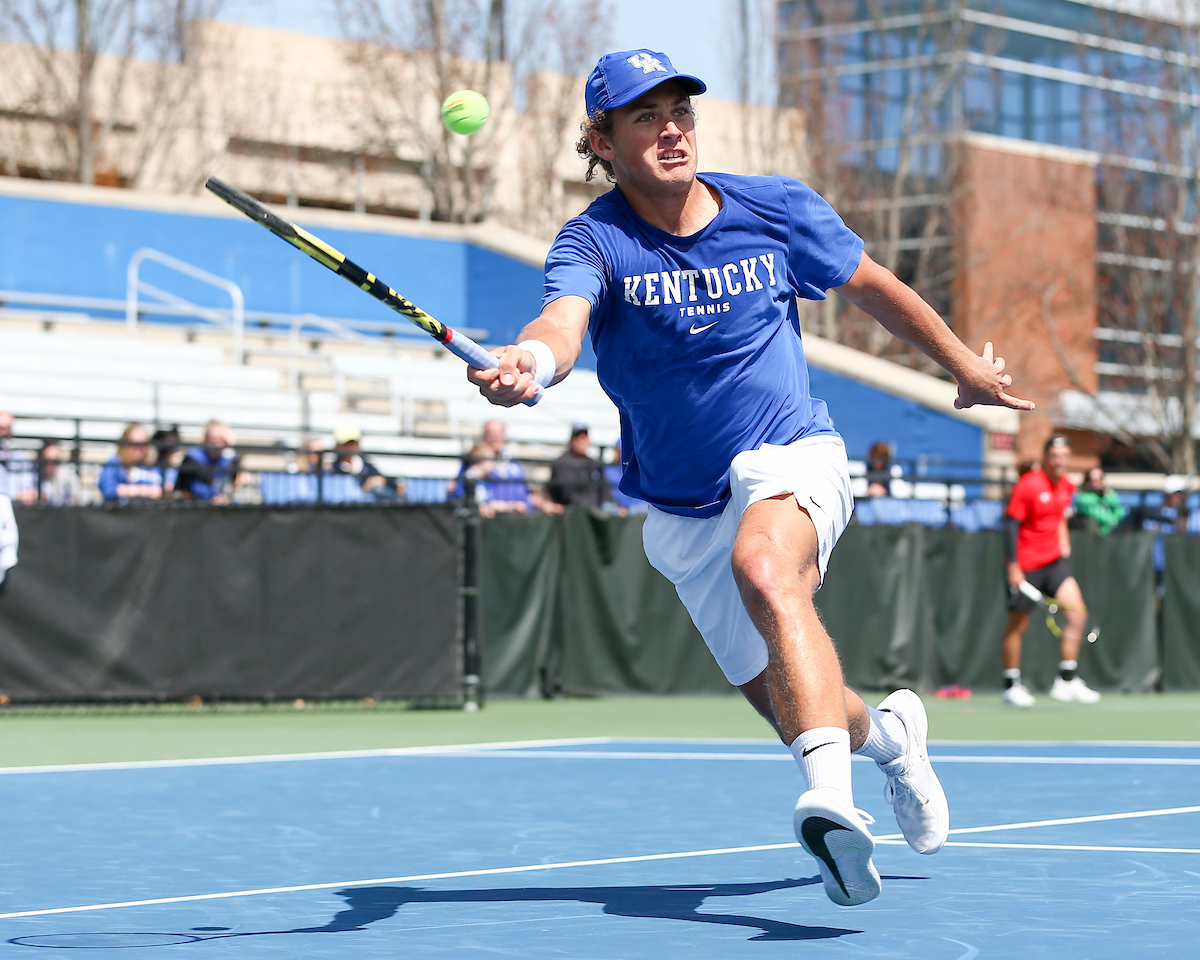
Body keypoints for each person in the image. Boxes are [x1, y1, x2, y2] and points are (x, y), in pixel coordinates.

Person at [466, 49, 1029, 906]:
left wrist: (961, 367)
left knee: (766, 567)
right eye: (645, 117)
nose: (671, 129)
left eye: (679, 110)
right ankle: (893, 741)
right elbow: (562, 320)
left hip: (790, 450)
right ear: (605, 141)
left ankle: (831, 809)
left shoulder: (773, 208)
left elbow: (872, 286)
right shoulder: (595, 239)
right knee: (797, 706)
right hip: (682, 506)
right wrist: (532, 365)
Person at [1001, 436, 1101, 708]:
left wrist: (1063, 538)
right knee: (1017, 626)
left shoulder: (1066, 485)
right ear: (1046, 458)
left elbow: (1058, 515)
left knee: (1077, 614)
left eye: (1065, 456)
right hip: (1025, 564)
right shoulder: (1028, 485)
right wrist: (1013, 566)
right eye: (1055, 456)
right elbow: (1011, 525)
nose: (1060, 461)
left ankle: (1066, 680)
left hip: (1053, 562)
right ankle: (1010, 685)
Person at [451, 420, 535, 514]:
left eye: (498, 433)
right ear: (484, 436)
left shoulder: (514, 464)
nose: (494, 437)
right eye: (490, 433)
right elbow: (459, 490)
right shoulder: (471, 460)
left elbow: (526, 496)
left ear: (504, 436)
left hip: (511, 518)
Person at [547, 424, 612, 510]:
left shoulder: (594, 464)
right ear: (571, 440)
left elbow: (604, 491)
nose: (582, 440)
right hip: (572, 512)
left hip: (595, 510)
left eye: (585, 437)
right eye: (578, 436)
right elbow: (567, 493)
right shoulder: (561, 463)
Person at [174, 420, 242, 503]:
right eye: (213, 438)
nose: (217, 443)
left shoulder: (228, 458)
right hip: (195, 505)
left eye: (221, 439)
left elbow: (236, 478)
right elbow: (208, 477)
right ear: (206, 439)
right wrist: (213, 498)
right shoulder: (193, 456)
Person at [97, 423, 163, 502]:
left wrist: (125, 489)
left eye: (143, 444)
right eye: (134, 443)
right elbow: (108, 490)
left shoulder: (150, 468)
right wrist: (144, 490)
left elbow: (159, 491)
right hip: (120, 512)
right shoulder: (114, 464)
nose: (139, 448)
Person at [332, 425, 400, 499]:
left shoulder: (366, 465)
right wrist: (367, 486)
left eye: (354, 443)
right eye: (346, 444)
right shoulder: (333, 469)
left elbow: (388, 481)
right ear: (338, 446)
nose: (350, 447)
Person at [1071, 466, 1125, 536]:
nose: (1095, 483)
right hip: (1090, 535)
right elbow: (1096, 513)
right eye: (1092, 480)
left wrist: (1107, 497)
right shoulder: (1082, 496)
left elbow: (1119, 511)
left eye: (1099, 479)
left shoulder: (1109, 494)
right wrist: (1111, 521)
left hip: (1110, 534)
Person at [38, 441, 87, 505]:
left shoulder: (67, 475)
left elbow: (77, 499)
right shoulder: (35, 475)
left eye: (56, 461)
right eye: (47, 461)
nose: (51, 465)